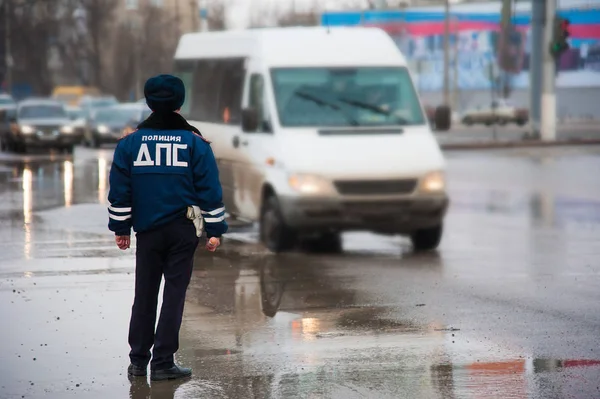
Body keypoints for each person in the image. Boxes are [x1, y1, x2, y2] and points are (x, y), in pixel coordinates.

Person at [107, 74, 228, 381]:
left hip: (147, 232)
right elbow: (209, 190)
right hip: (183, 231)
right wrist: (215, 230)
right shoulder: (195, 144)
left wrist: (121, 228)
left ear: (148, 103)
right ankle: (163, 362)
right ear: (179, 103)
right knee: (173, 295)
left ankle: (137, 362)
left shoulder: (130, 144)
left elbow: (120, 190)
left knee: (144, 294)